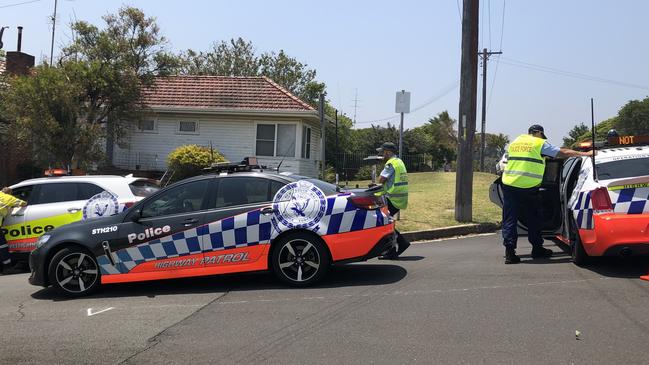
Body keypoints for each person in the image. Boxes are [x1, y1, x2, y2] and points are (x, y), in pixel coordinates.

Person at [501, 124, 594, 264]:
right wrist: (585, 154)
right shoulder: (539, 143)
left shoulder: (516, 142)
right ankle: (537, 249)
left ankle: (509, 253)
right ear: (538, 133)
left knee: (510, 219)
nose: (543, 138)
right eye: (542, 135)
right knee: (533, 218)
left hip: (509, 185)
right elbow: (562, 152)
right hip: (528, 187)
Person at [375, 142, 411, 260]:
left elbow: (381, 179)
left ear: (388, 152)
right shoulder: (399, 162)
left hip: (392, 198)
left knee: (383, 222)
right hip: (399, 198)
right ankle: (397, 245)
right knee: (386, 222)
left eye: (383, 152)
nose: (381, 154)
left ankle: (396, 246)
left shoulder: (390, 163)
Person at [0, 187, 27, 275]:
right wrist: (24, 202)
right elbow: (22, 203)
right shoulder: (6, 197)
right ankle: (7, 268)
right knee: (3, 246)